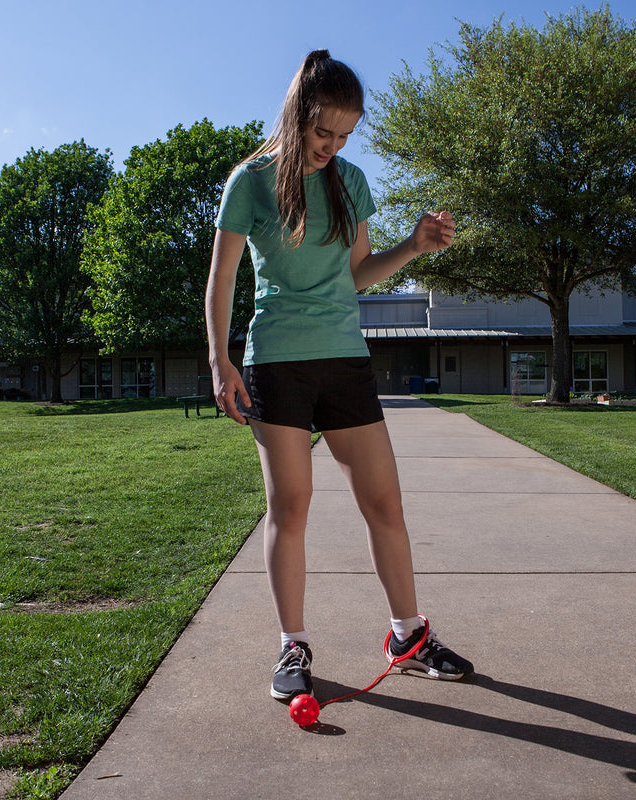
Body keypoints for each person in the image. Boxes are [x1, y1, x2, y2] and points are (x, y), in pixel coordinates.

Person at [206, 49, 474, 702]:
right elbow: (222, 279)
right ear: (298, 117)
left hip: (344, 359)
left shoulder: (349, 181)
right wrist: (219, 360)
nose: (333, 144)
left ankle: (407, 636)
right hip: (277, 361)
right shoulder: (250, 181)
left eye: (345, 134)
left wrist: (412, 246)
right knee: (290, 507)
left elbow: (355, 275)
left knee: (384, 502)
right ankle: (292, 646)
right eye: (323, 131)